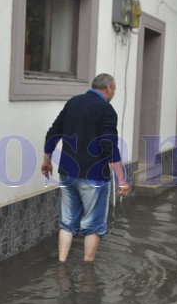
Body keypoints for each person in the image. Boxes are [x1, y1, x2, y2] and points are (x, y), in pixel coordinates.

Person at [41, 73, 130, 262]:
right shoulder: (106, 110)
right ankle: (88, 272)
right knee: (93, 224)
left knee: (67, 222)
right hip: (94, 176)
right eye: (114, 90)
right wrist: (121, 180)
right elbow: (109, 145)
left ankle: (62, 263)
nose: (113, 93)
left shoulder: (73, 103)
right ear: (108, 89)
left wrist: (47, 159)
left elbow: (53, 132)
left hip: (67, 173)